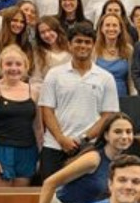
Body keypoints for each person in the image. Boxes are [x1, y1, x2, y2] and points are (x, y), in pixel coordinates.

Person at [40, 22, 120, 179]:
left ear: (93, 45)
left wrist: (83, 139)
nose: (83, 45)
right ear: (69, 44)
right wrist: (61, 139)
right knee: (51, 195)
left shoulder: (106, 77)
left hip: (90, 148)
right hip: (54, 146)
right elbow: (47, 110)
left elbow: (108, 115)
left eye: (87, 42)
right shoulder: (54, 74)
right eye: (78, 41)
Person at [37, 111, 137, 203]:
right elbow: (49, 183)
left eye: (129, 132)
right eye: (118, 132)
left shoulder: (120, 163)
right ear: (106, 135)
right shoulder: (93, 159)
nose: (124, 136)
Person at [0, 45, 40, 186]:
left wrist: (40, 156)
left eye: (18, 64)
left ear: (26, 67)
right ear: (0, 67)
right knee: (2, 200)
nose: (14, 68)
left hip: (27, 151)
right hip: (0, 149)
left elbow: (38, 128)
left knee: (19, 202)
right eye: (8, 64)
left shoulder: (34, 91)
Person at [0, 4, 32, 82]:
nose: (18, 24)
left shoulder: (26, 46)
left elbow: (29, 71)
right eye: (15, 20)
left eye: (22, 22)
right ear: (6, 21)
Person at [94, 11, 134, 98]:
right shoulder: (94, 50)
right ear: (101, 29)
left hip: (123, 98)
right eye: (107, 25)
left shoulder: (129, 49)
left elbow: (131, 80)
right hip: (99, 97)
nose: (111, 29)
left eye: (115, 25)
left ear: (120, 29)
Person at [31, 16, 71, 85]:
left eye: (49, 30)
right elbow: (36, 78)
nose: (47, 35)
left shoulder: (70, 48)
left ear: (57, 30)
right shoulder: (38, 53)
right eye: (42, 32)